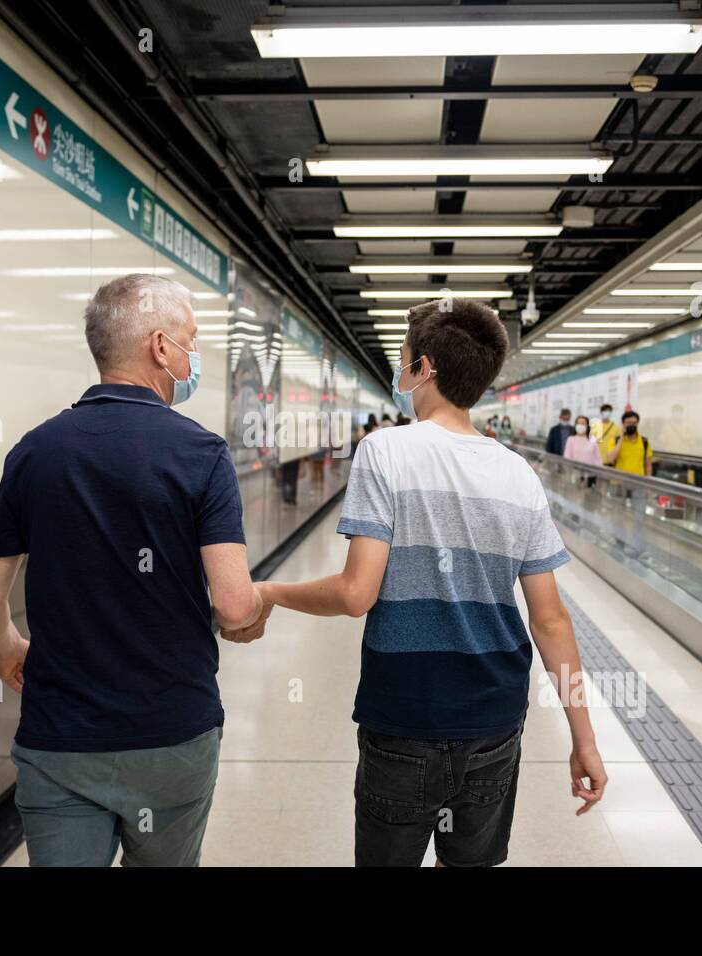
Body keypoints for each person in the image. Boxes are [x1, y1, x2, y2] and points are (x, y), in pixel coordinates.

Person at [258, 298, 606, 867]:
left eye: (402, 361)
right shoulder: (519, 474)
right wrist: (584, 739)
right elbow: (550, 620)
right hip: (495, 721)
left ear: (425, 369)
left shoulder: (385, 451)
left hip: (405, 716)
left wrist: (270, 591)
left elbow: (354, 594)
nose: (400, 372)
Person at [0, 275, 272, 868]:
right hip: (171, 735)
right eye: (191, 339)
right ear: (161, 347)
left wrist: (9, 650)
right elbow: (234, 605)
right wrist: (265, 603)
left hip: (61, 738)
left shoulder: (35, 450)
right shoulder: (201, 454)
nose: (195, 354)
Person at [605, 410, 653, 477]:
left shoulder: (644, 441)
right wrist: (621, 439)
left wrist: (649, 481)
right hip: (619, 481)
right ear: (623, 424)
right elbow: (611, 459)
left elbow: (648, 464)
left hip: (638, 482)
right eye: (628, 423)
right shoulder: (614, 441)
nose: (631, 425)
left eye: (634, 423)